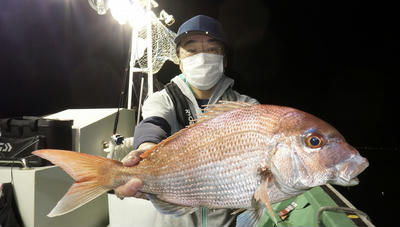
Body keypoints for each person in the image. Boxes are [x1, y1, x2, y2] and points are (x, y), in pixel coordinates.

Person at [114, 15, 259, 227]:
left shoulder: (245, 106)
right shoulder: (163, 99)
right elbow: (153, 124)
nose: (202, 57)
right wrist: (144, 154)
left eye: (212, 49)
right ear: (180, 62)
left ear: (224, 60)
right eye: (191, 50)